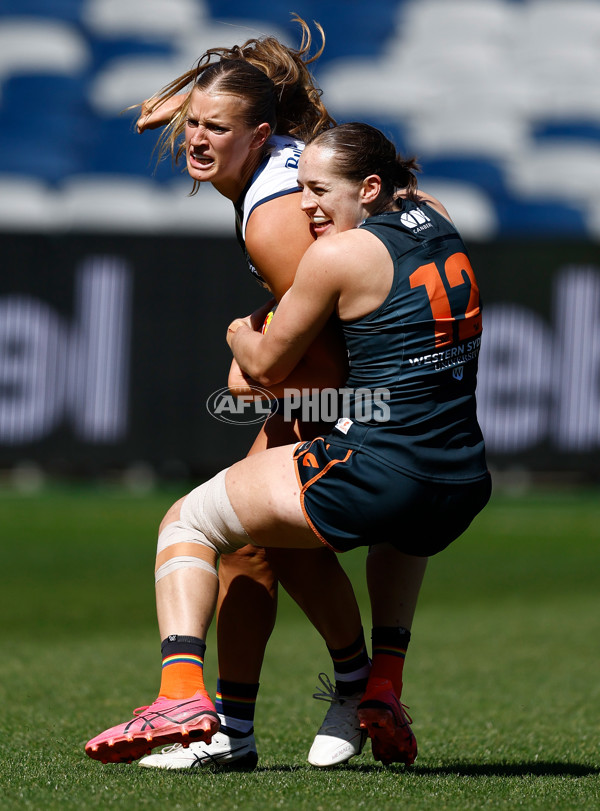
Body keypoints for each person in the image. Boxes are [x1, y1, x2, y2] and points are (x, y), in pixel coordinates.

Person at [85, 121, 491, 768]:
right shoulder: (438, 216)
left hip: (378, 471)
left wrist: (238, 333)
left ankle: (180, 694)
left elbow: (265, 372)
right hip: (462, 478)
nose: (305, 206)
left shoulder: (337, 255)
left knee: (187, 521)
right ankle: (380, 681)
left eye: (319, 190)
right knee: (320, 533)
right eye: (300, 187)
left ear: (372, 186)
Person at [125, 17, 425, 771]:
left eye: (215, 127)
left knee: (234, 530)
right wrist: (185, 101)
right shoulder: (275, 155)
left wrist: (253, 358)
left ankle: (311, 700)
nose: (195, 138)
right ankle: (241, 729)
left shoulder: (270, 218)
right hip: (383, 376)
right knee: (255, 547)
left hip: (377, 392)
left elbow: (326, 358)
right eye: (193, 123)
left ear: (259, 134)